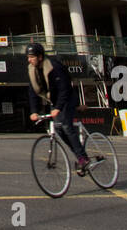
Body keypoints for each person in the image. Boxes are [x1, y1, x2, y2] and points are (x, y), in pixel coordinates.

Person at [26, 42, 91, 175]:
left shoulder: (54, 67)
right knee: (60, 131)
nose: (29, 59)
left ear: (40, 57)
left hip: (67, 97)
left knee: (66, 126)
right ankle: (80, 156)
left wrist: (59, 108)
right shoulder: (32, 70)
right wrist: (34, 111)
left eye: (32, 57)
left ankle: (83, 158)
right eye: (28, 57)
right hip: (54, 100)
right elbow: (33, 91)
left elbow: (64, 89)